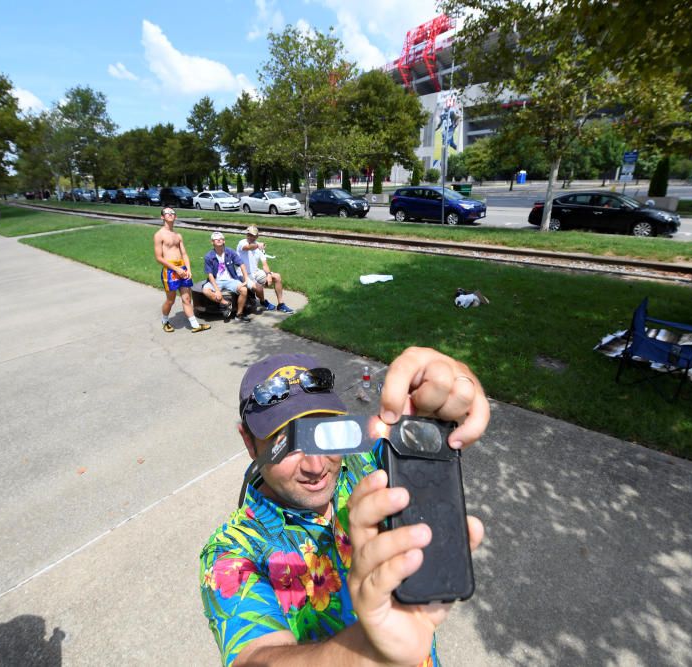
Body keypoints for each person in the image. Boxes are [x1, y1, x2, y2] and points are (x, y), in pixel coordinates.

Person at [200, 347, 489, 666]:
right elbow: (255, 659)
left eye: (324, 432)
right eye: (285, 443)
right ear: (249, 442)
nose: (315, 466)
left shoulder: (364, 460)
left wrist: (453, 385)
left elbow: (428, 419)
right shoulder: (232, 553)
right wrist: (367, 652)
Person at [153, 208, 209, 333]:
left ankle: (195, 325)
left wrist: (188, 269)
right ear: (162, 217)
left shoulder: (178, 235)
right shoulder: (159, 235)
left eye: (172, 213)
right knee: (170, 300)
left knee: (187, 299)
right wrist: (176, 269)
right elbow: (159, 258)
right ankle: (165, 320)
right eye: (167, 213)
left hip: (182, 270)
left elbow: (184, 254)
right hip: (170, 271)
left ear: (175, 217)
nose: (170, 214)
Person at [236, 226, 295, 314]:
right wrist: (257, 245)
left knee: (277, 277)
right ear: (246, 235)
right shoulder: (242, 243)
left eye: (253, 235)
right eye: (249, 235)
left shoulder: (259, 246)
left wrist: (268, 275)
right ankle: (263, 301)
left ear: (257, 236)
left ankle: (281, 304)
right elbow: (248, 247)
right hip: (243, 274)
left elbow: (264, 264)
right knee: (259, 288)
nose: (250, 237)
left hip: (255, 272)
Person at [202, 232, 252, 323]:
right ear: (212, 242)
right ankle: (226, 304)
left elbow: (241, 264)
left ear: (224, 241)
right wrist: (217, 290)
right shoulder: (208, 256)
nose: (219, 240)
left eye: (220, 238)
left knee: (244, 290)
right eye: (216, 239)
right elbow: (209, 274)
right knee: (205, 290)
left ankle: (239, 314)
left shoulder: (230, 252)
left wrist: (245, 279)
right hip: (216, 281)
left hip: (231, 280)